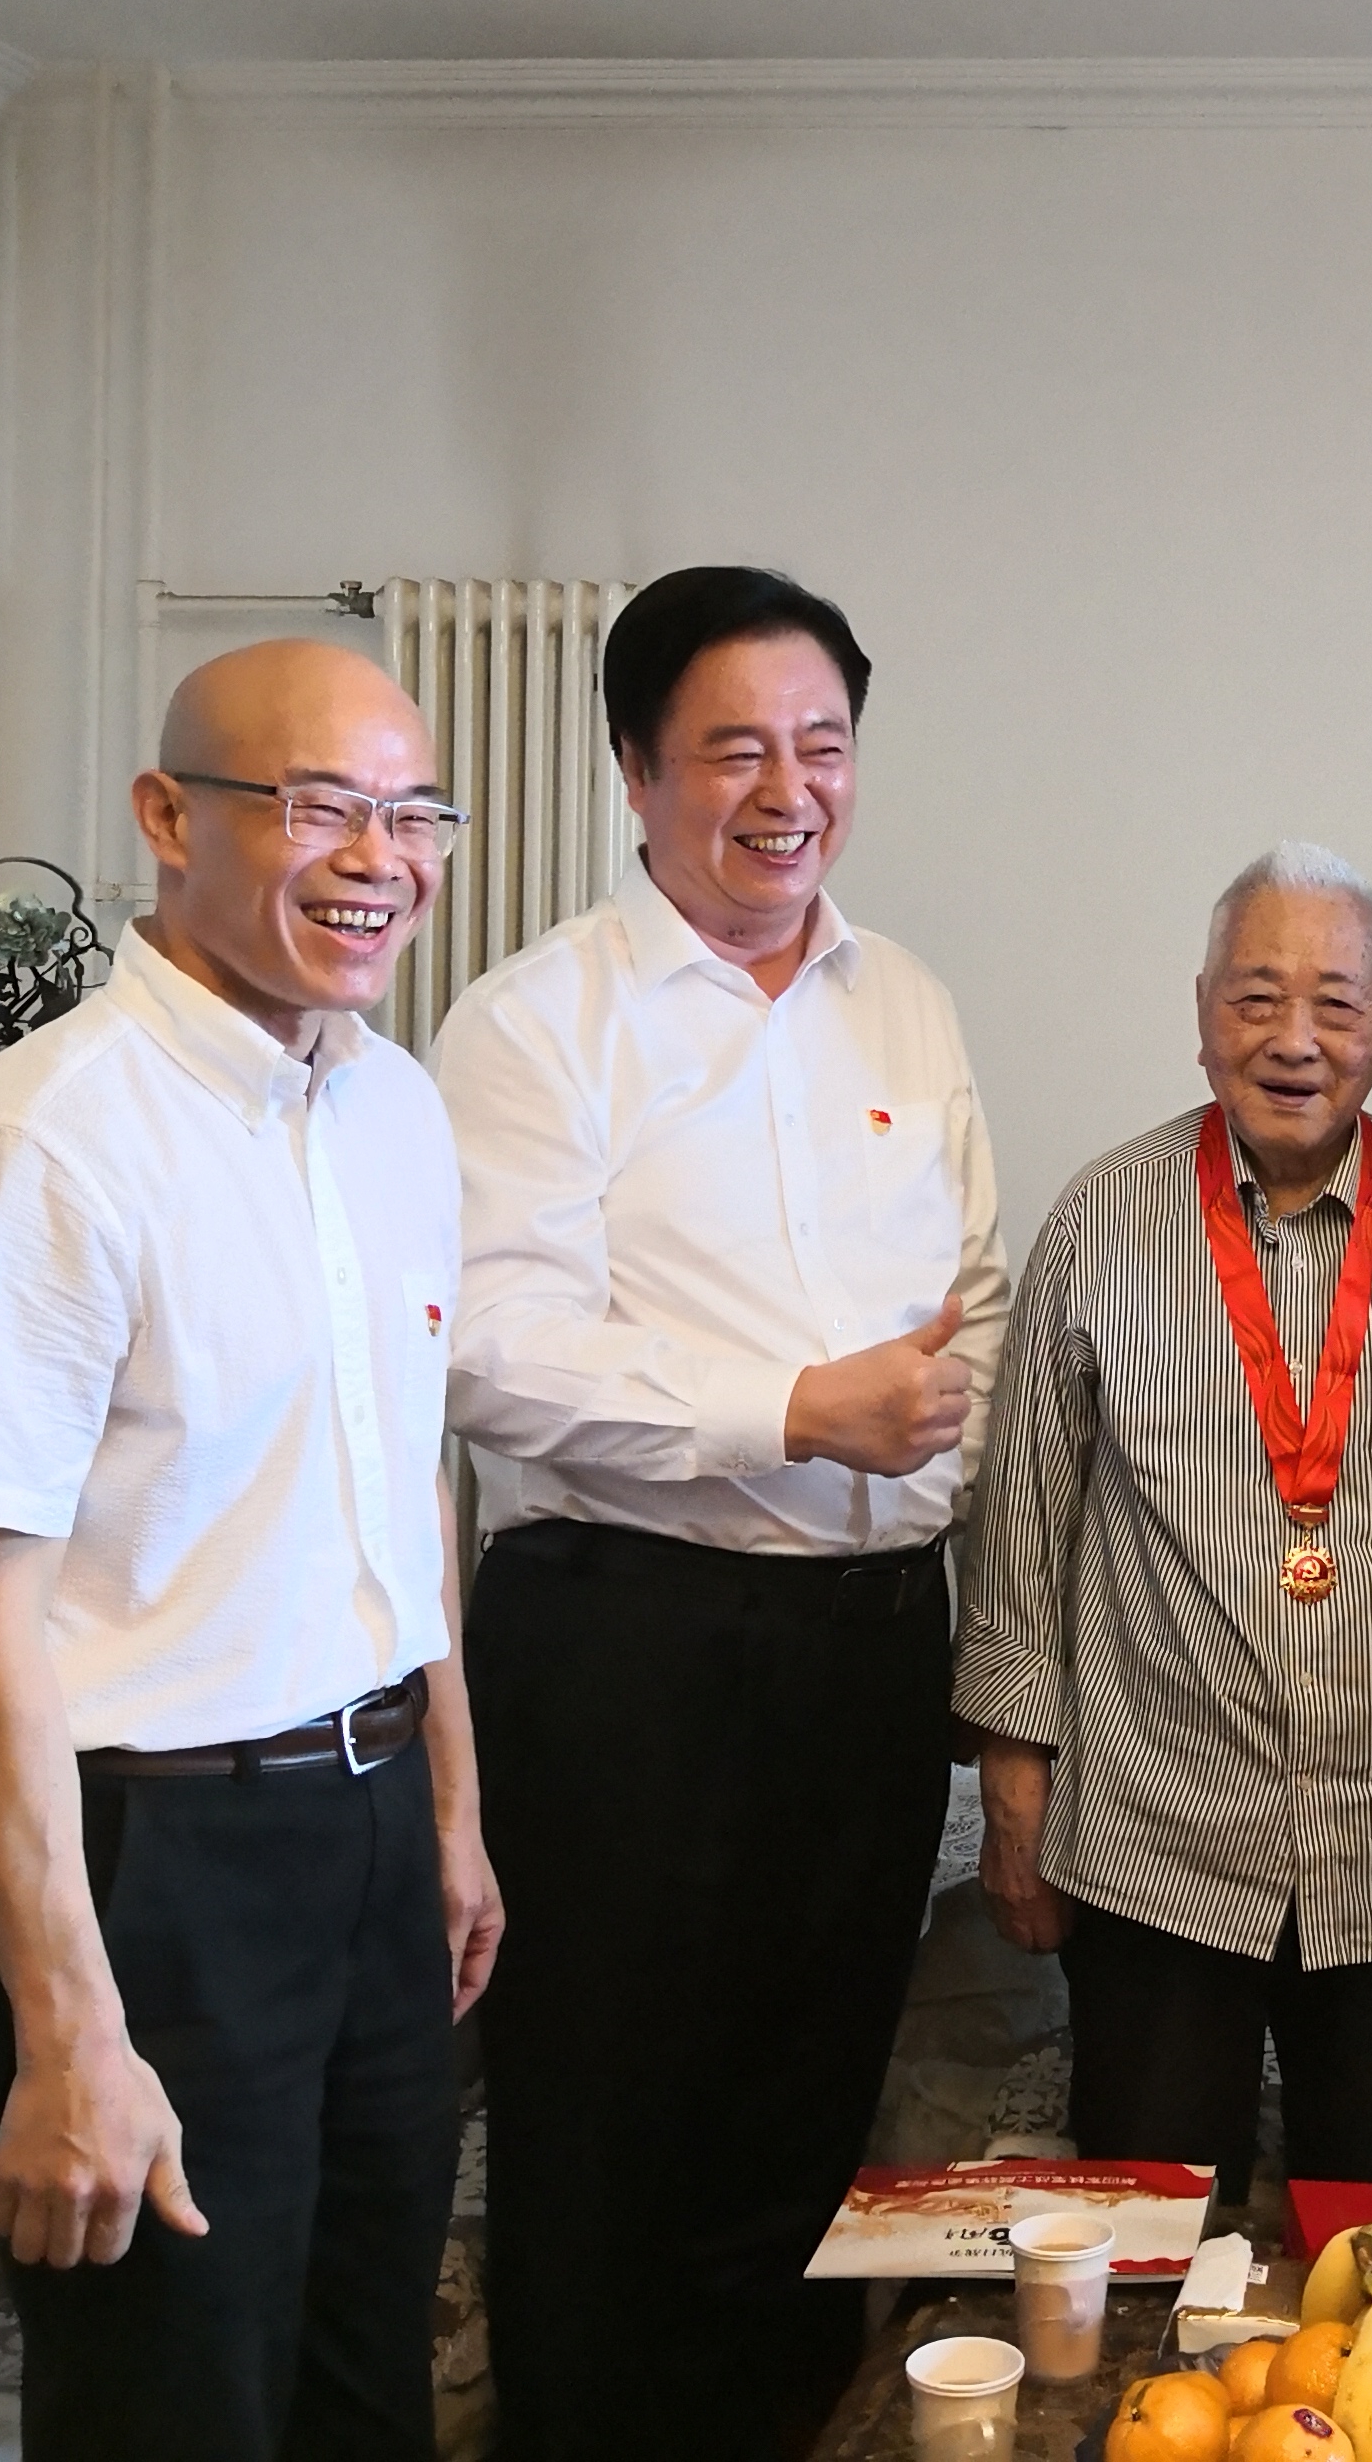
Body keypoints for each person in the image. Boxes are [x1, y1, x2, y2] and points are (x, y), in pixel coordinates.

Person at [0, 639, 496, 2462]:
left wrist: (449, 1811)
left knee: (365, 2399)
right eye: (318, 805)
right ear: (167, 816)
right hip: (151, 1863)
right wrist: (70, 2031)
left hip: (369, 1834)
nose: (377, 857)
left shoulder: (394, 1109)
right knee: (175, 2415)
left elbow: (404, 1485)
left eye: (414, 814)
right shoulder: (40, 1144)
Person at [432, 567, 1008, 2462]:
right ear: (634, 769)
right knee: (609, 2135)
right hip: (626, 1643)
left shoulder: (901, 1002)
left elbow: (975, 1298)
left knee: (807, 2126)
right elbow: (489, 1350)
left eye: (821, 746)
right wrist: (794, 1412)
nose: (789, 790)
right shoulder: (535, 1024)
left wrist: (924, 1465)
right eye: (735, 749)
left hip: (867, 1647)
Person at [953, 842, 1372, 2207]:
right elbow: (1023, 1521)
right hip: (1157, 1838)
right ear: (1201, 1015)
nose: (1294, 1040)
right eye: (1255, 998)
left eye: (1333, 1004)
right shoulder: (1100, 1220)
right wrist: (1013, 1775)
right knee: (1147, 2245)